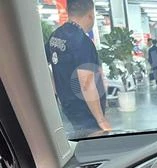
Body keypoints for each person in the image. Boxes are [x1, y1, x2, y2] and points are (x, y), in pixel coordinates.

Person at [46, 0, 110, 136]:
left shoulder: (55, 35)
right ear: (90, 15)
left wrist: (54, 88)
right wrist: (101, 119)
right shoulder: (82, 42)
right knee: (94, 143)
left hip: (68, 105)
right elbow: (87, 83)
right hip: (86, 110)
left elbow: (42, 63)